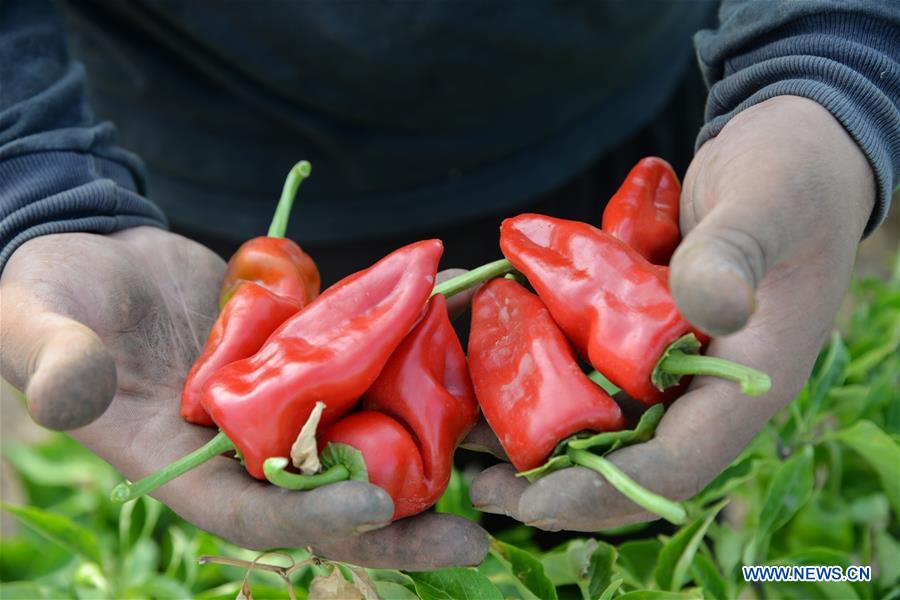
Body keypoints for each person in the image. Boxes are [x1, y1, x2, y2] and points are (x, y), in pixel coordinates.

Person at [1, 0, 896, 571]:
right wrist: (33, 178)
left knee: (624, 510)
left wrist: (825, 64)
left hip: (641, 106)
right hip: (203, 179)